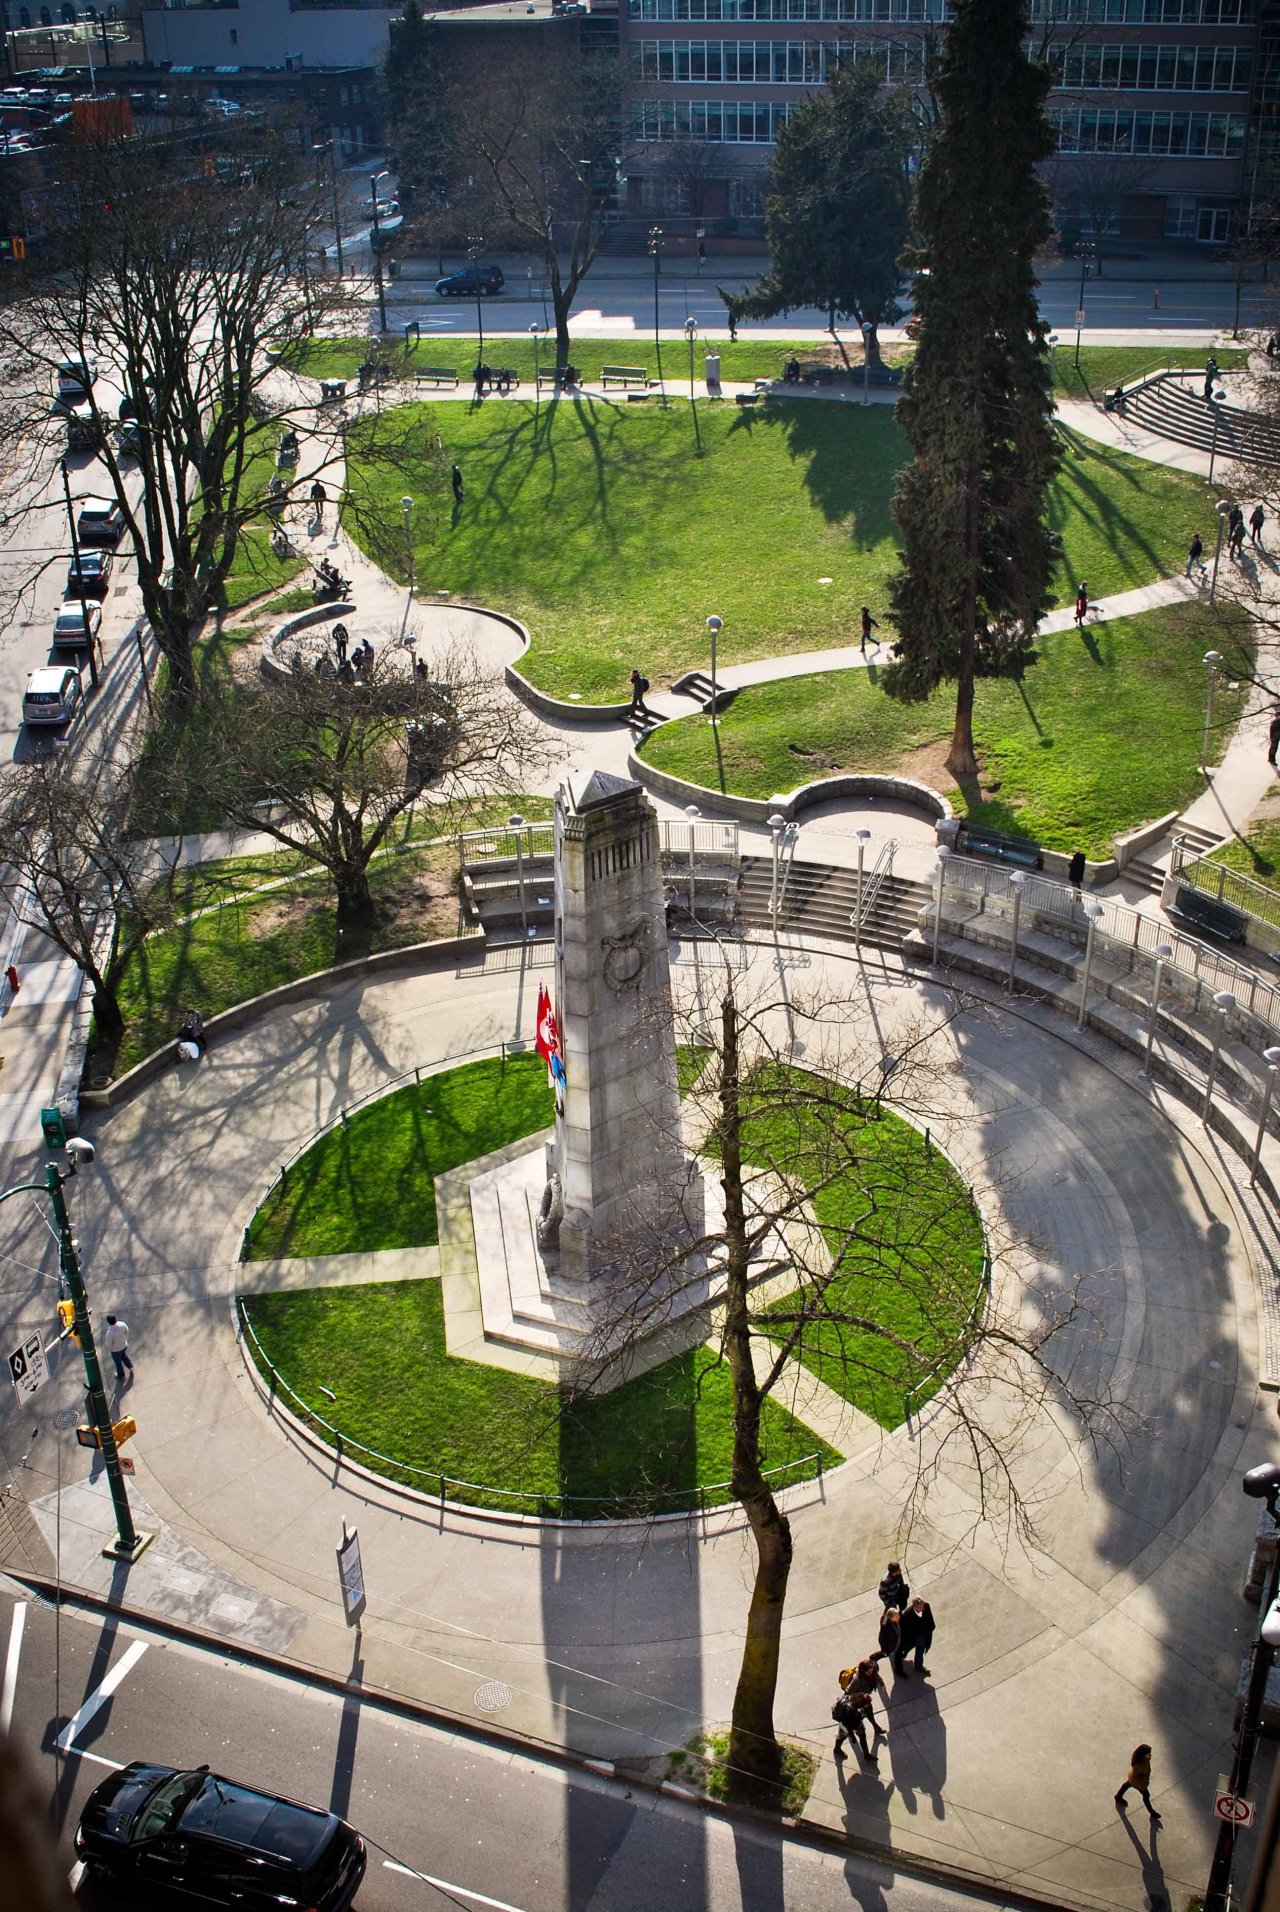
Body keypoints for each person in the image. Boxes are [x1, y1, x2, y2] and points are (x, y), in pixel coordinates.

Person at [832, 1659, 887, 1762]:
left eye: (872, 1671)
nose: (872, 1673)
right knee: (843, 1735)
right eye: (869, 1672)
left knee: (867, 1719)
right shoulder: (856, 1680)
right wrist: (852, 1736)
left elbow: (876, 1676)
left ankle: (875, 1729)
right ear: (863, 1671)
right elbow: (847, 1693)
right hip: (854, 1708)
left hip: (863, 1701)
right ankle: (837, 1749)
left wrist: (882, 1684)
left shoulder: (872, 1672)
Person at [1115, 1743, 1161, 1824]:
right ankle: (1151, 1812)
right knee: (1146, 1795)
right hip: (1138, 1782)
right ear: (1143, 1755)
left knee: (1126, 1785)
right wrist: (1144, 1778)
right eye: (1148, 1754)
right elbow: (1137, 1776)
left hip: (1133, 1779)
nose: (1150, 1755)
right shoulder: (1139, 1765)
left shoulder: (1141, 1760)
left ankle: (1118, 1796)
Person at [899, 1595, 935, 1675]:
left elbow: (930, 1619)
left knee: (920, 1650)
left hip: (923, 1636)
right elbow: (904, 1630)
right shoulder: (907, 1615)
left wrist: (929, 1630)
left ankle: (918, 1666)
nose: (922, 1608)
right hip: (913, 1638)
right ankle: (902, 1653)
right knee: (905, 1648)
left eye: (922, 1606)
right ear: (914, 1606)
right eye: (920, 1607)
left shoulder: (926, 1606)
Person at [104, 1315, 133, 1384]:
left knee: (118, 1363)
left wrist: (107, 1346)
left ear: (109, 1322)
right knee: (124, 1356)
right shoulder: (122, 1324)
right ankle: (130, 1366)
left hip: (115, 1350)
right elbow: (127, 1331)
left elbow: (108, 1344)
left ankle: (121, 1375)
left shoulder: (110, 1332)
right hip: (124, 1345)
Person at [874, 1606, 903, 1673]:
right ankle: (874, 1657)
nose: (898, 1617)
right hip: (891, 1646)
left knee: (897, 1655)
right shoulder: (886, 1626)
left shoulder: (894, 1621)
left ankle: (899, 1670)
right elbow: (882, 1639)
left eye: (898, 1615)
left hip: (896, 1643)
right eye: (896, 1617)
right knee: (885, 1654)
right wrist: (885, 1650)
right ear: (891, 1618)